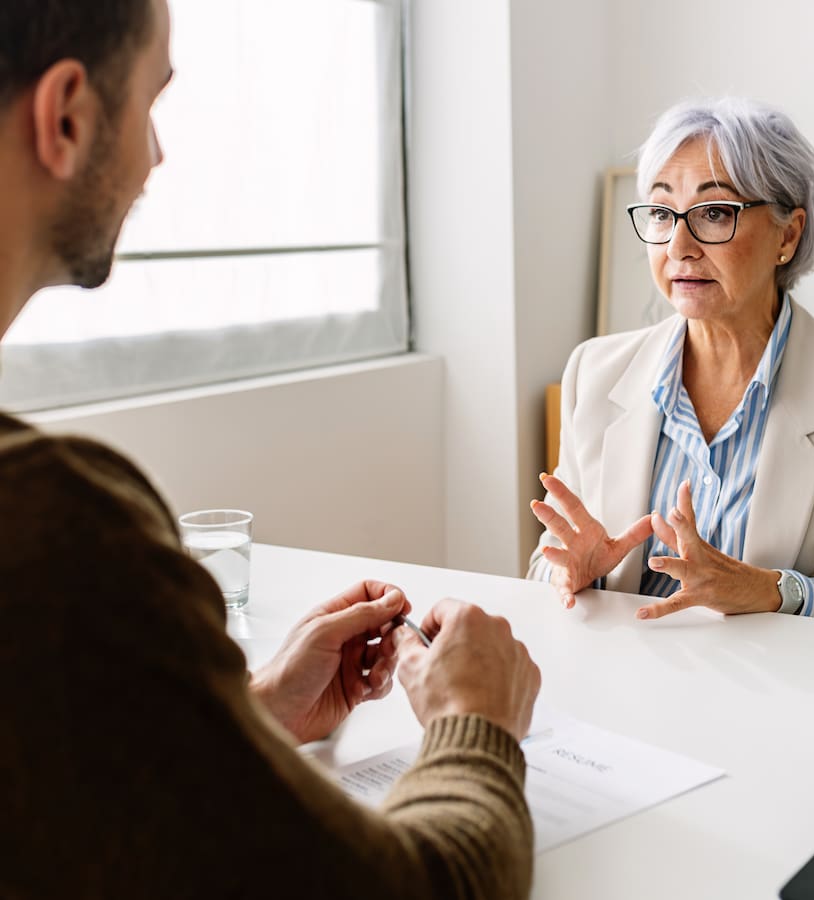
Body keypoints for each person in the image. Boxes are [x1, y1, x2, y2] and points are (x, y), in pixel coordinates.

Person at [0, 1, 541, 897]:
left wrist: (237, 717)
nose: (156, 158)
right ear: (65, 115)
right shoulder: (54, 527)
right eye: (152, 103)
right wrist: (476, 721)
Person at [528, 98, 814, 629]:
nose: (679, 245)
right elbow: (547, 566)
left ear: (787, 236)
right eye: (661, 212)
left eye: (715, 213)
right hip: (626, 693)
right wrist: (575, 575)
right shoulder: (595, 370)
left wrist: (771, 591)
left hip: (792, 700)